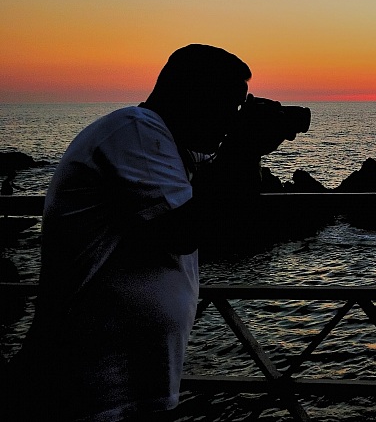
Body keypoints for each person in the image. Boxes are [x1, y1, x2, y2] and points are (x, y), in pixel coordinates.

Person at [11, 44, 279, 421]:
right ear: (192, 95)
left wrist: (251, 151)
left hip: (130, 385)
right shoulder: (135, 131)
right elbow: (182, 232)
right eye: (227, 105)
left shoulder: (171, 146)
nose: (230, 120)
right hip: (84, 385)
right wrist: (245, 145)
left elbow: (233, 220)